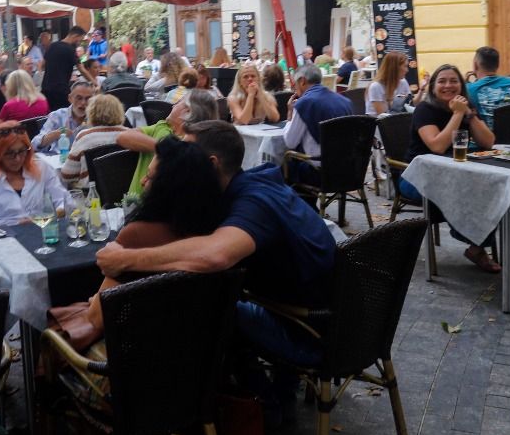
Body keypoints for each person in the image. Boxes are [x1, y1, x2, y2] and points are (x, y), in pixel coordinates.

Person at [96, 119, 336, 416]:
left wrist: (126, 260)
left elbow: (215, 256)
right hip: (329, 316)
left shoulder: (253, 203)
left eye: (187, 154)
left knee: (209, 310)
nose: (178, 161)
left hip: (313, 335)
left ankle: (264, 404)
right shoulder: (258, 183)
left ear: (210, 163)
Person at [50, 137, 223, 348]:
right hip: (200, 348)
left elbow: (97, 318)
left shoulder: (138, 235)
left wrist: (96, 299)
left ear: (166, 188)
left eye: (149, 177)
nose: (142, 181)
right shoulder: (217, 232)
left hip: (136, 353)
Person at [398, 64, 501, 273]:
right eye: (442, 81)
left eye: (454, 81)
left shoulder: (466, 107)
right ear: (433, 87)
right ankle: (477, 245)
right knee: (466, 192)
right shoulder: (425, 110)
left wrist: (469, 115)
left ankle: (475, 246)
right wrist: (457, 115)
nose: (448, 85)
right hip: (417, 177)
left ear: (461, 86)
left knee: (493, 191)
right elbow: (437, 146)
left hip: (456, 174)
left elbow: (489, 142)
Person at [111, 88, 220, 195]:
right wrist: (165, 148)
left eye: (178, 103)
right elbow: (122, 137)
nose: (173, 105)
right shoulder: (162, 126)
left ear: (187, 112)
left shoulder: (195, 149)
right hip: (134, 205)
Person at [0, 126, 78, 228]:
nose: (17, 159)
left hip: (41, 232)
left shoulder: (41, 167)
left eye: (22, 151)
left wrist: (58, 212)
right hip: (5, 240)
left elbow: (63, 200)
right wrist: (13, 227)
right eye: (10, 153)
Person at [281, 64, 353, 186]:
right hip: (350, 170)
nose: (295, 89)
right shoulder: (345, 101)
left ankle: (302, 204)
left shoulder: (305, 103)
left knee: (281, 166)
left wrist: (290, 115)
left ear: (302, 81)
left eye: (295, 85)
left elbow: (290, 142)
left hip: (319, 174)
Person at [59, 93, 128, 185]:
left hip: (92, 193)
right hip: (126, 191)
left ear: (91, 113)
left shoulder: (85, 137)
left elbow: (67, 175)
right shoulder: (130, 135)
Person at [35, 81, 94, 151]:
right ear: (70, 98)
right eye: (79, 98)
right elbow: (35, 144)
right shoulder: (57, 116)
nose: (83, 103)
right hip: (59, 158)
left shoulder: (95, 117)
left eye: (87, 99)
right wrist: (55, 134)